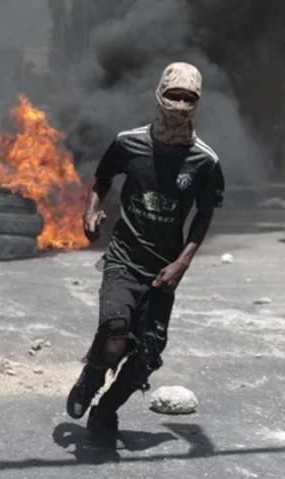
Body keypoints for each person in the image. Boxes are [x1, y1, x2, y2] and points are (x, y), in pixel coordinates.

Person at [66, 62, 225, 440]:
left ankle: (105, 411)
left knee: (147, 356)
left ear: (198, 102)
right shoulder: (128, 142)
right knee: (115, 332)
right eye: (174, 96)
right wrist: (91, 211)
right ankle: (90, 380)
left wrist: (182, 263)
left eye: (189, 98)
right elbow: (103, 178)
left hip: (163, 270)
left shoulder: (205, 161)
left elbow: (204, 215)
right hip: (124, 256)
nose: (180, 104)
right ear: (159, 96)